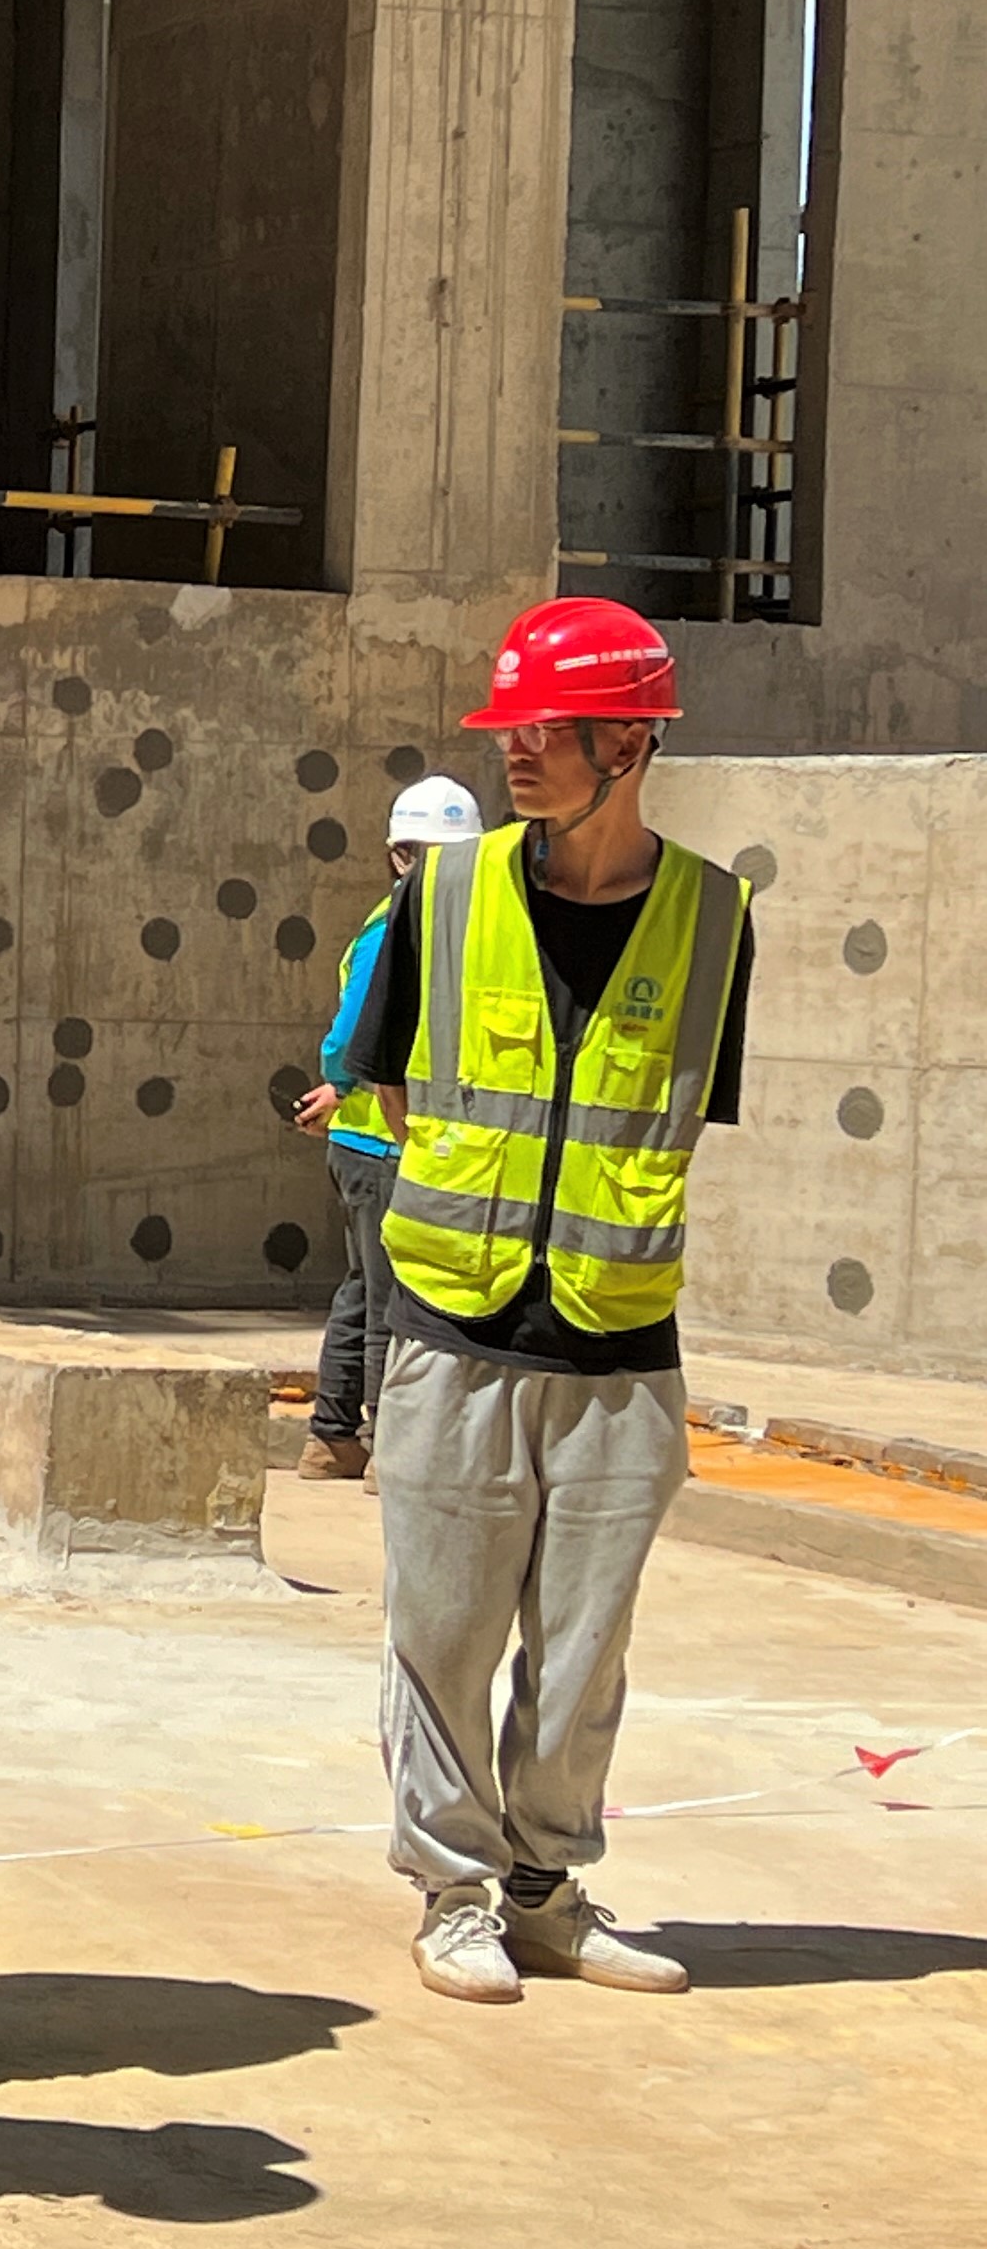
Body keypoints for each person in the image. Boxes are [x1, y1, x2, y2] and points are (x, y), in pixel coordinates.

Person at [353, 599, 753, 2006]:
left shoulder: (712, 918)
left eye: (544, 729)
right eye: (511, 728)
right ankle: (451, 1891)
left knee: (582, 1651)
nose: (514, 751)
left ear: (626, 744)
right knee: (440, 1637)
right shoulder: (442, 894)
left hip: (619, 1344)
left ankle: (543, 1891)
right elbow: (388, 1078)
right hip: (451, 1329)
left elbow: (681, 1111)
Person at [285, 776, 487, 1480]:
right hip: (383, 1143)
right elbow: (354, 1034)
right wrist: (342, 1086)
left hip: (374, 1141)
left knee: (362, 1289)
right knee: (388, 1302)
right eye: (424, 855)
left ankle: (333, 1437)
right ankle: (384, 1447)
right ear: (399, 857)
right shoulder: (397, 927)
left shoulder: (428, 924)